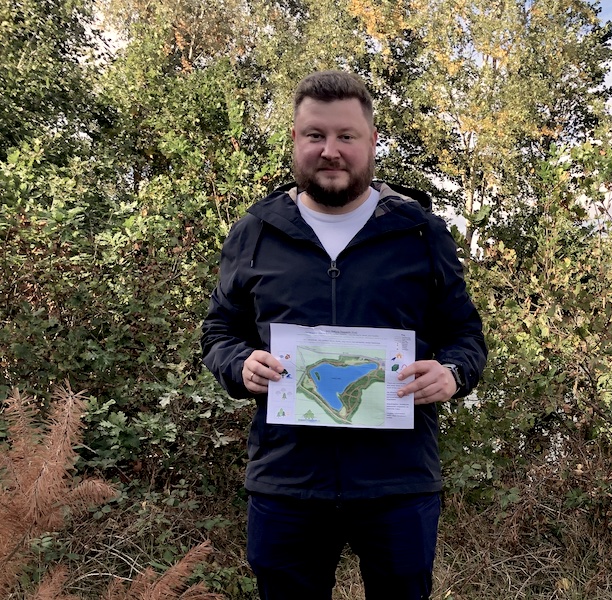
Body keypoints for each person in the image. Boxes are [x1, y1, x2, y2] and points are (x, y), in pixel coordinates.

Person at [201, 70, 487, 600]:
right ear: (295, 141)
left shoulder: (419, 232)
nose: (330, 151)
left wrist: (452, 373)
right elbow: (220, 329)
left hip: (397, 482)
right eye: (315, 136)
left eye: (345, 137)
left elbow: (465, 333)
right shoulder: (257, 231)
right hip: (288, 481)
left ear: (371, 142)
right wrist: (239, 364)